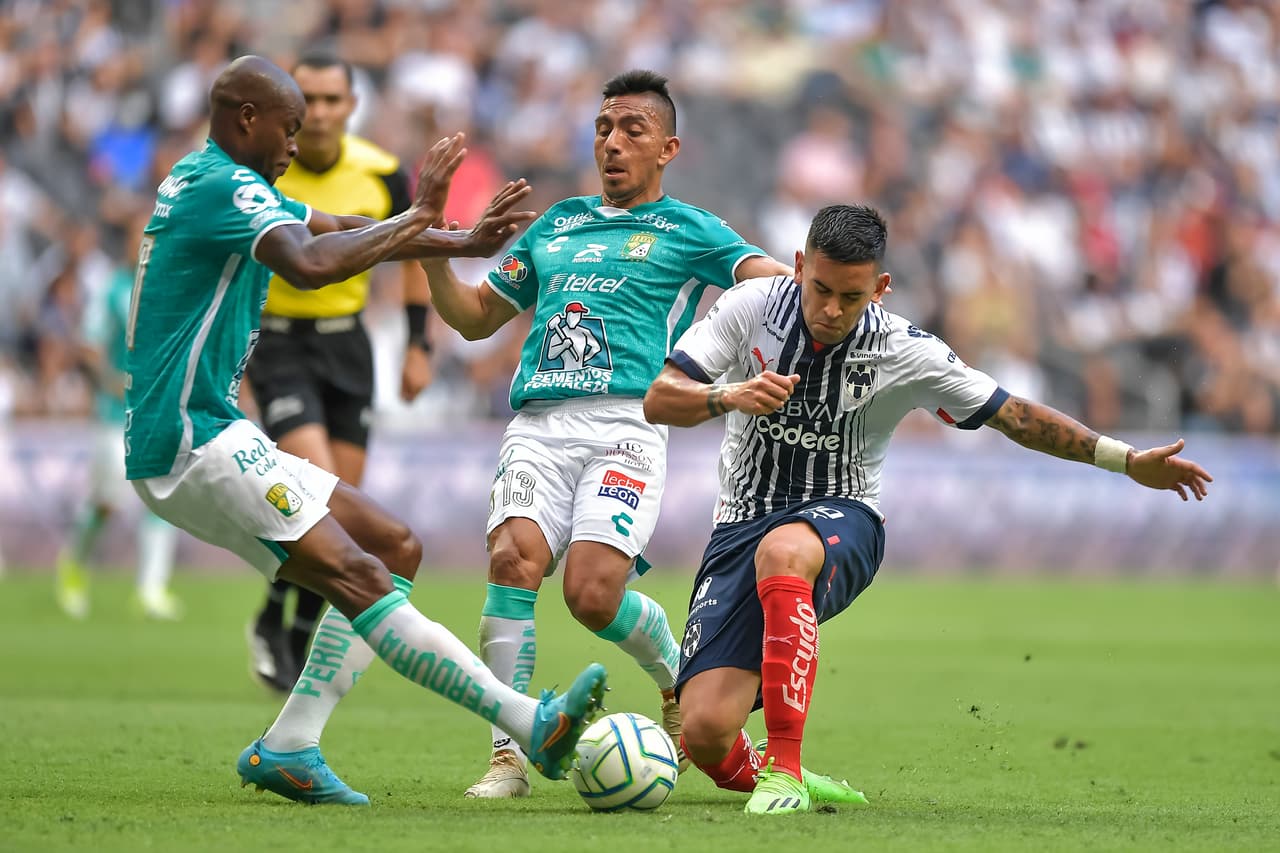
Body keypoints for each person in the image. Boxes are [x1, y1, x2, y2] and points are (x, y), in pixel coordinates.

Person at [123, 55, 607, 805]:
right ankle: (529, 723)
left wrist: (459, 242)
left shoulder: (210, 177)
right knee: (361, 576)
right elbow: (314, 263)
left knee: (391, 545)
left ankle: (290, 745)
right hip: (190, 441)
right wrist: (419, 218)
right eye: (287, 126)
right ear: (245, 118)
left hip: (206, 430)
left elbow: (343, 226)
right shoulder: (224, 185)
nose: (297, 141)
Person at [643, 203, 1213, 816]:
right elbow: (659, 398)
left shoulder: (903, 348)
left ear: (881, 288)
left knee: (784, 549)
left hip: (844, 517)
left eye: (852, 297)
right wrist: (727, 394)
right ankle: (785, 777)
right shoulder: (749, 307)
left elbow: (1015, 415)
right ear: (800, 266)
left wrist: (1126, 460)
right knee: (704, 732)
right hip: (739, 526)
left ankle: (784, 767)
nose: (832, 310)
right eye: (821, 289)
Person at [422, 69, 792, 799]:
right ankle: (508, 756)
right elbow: (471, 317)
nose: (612, 143)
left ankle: (672, 684)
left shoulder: (689, 229)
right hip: (538, 423)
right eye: (603, 129)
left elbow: (771, 283)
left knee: (591, 594)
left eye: (632, 131)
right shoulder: (557, 223)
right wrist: (434, 242)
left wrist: (797, 309)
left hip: (631, 422)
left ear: (668, 148)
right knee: (511, 558)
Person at [243, 51, 437, 694]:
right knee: (317, 485)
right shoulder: (264, 169)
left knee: (340, 515)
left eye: (333, 99)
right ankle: (277, 621)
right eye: (310, 100)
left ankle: (288, 625)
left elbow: (409, 256)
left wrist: (418, 345)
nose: (321, 112)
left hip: (348, 346)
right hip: (277, 344)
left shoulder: (382, 173)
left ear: (351, 105)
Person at [55, 211, 181, 621]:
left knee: (162, 499)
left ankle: (151, 589)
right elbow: (88, 345)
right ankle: (75, 562)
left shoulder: (169, 287)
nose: (144, 247)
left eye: (150, 240)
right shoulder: (112, 289)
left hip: (157, 413)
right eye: (137, 238)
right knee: (108, 501)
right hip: (115, 414)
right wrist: (111, 380)